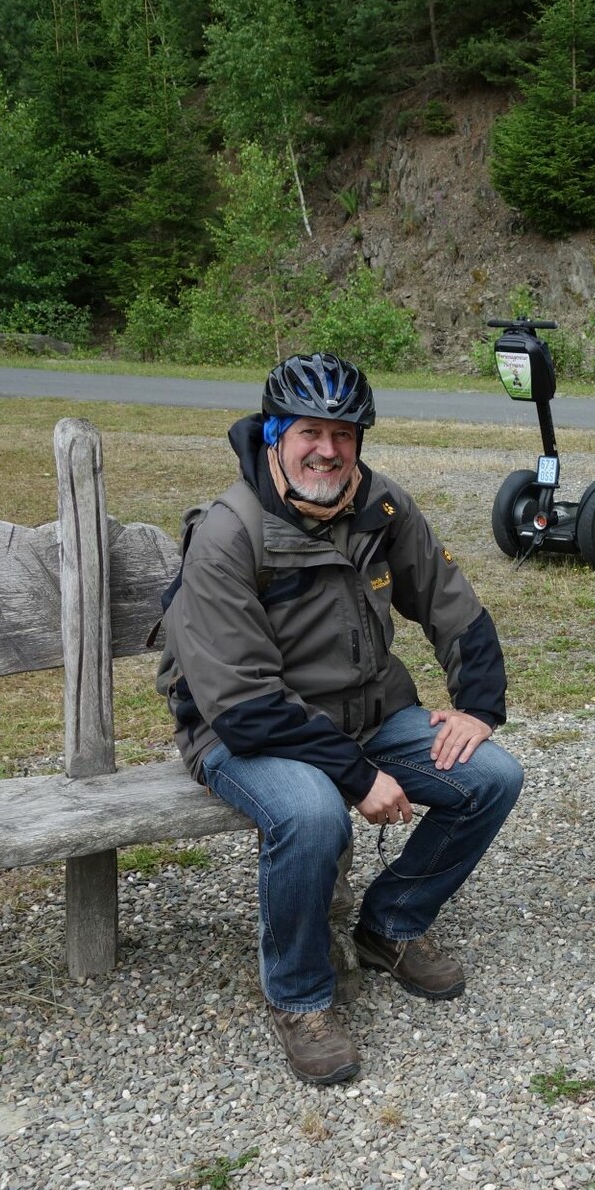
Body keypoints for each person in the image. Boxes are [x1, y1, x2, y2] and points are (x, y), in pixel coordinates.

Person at [156, 352, 523, 1084]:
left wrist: (479, 705)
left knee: (492, 777)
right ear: (273, 436)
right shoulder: (231, 533)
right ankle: (299, 995)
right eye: (308, 432)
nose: (327, 449)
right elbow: (247, 706)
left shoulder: (380, 507)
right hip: (242, 731)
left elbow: (451, 602)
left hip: (366, 713)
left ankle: (390, 925)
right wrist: (360, 779)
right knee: (314, 813)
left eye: (344, 433)